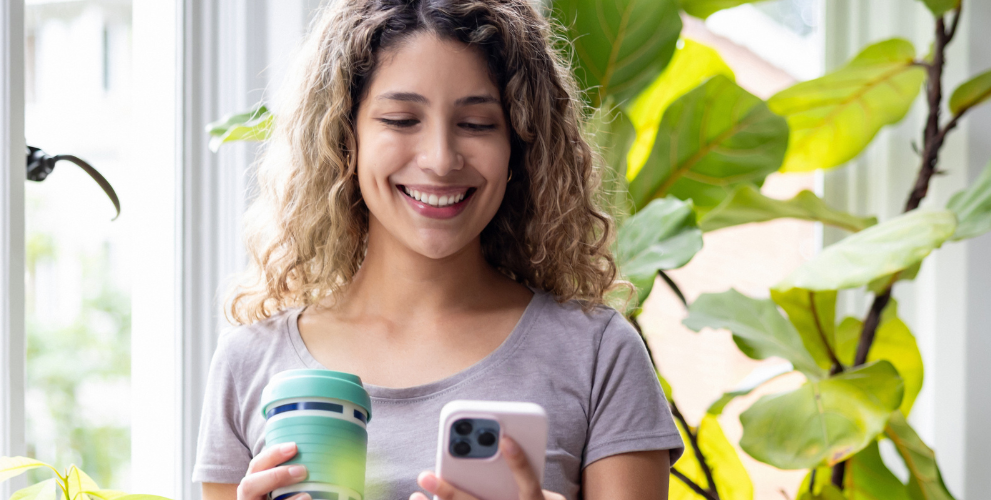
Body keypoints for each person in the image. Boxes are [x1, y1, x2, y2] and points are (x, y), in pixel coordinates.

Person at [193, 1, 681, 500]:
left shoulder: (597, 354)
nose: (441, 159)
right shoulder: (250, 362)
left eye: (476, 124)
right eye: (402, 119)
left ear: (520, 145)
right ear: (345, 137)